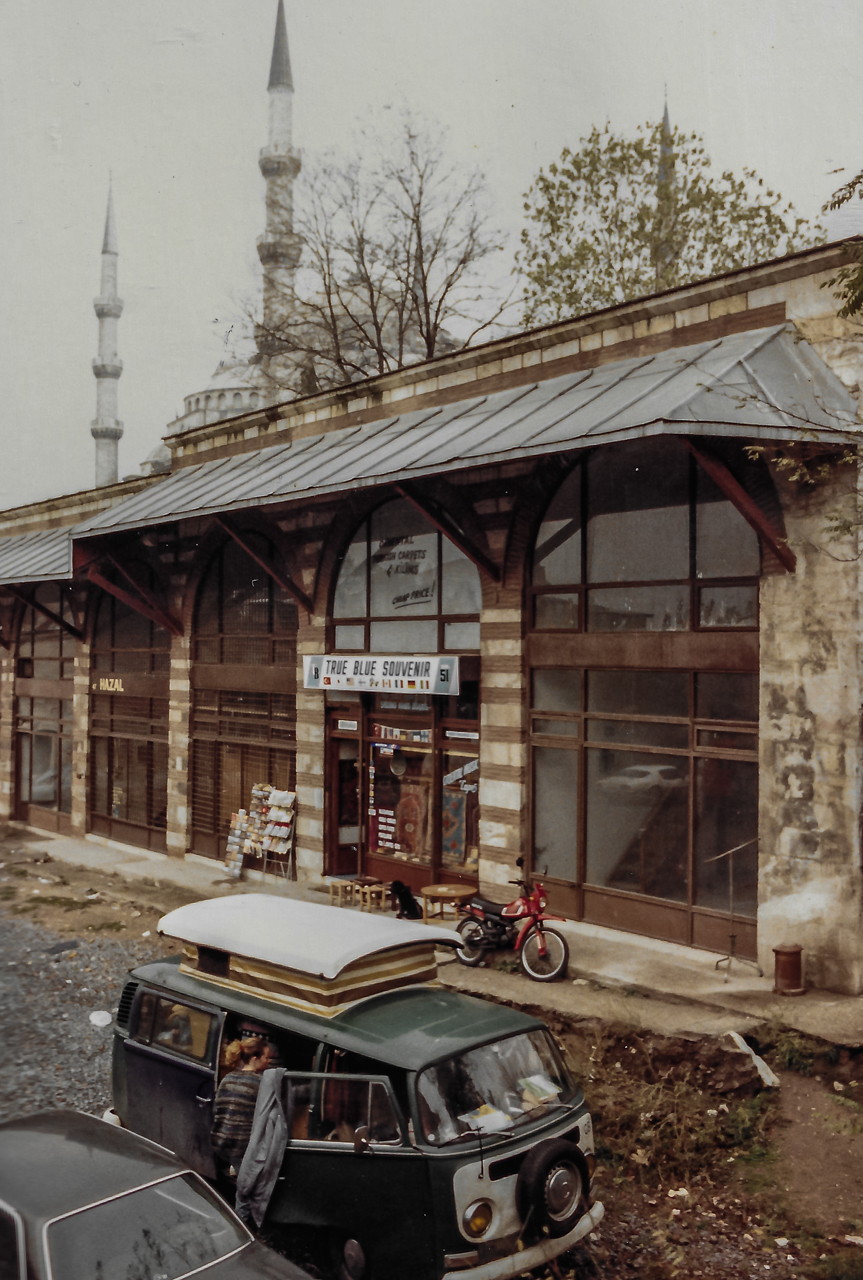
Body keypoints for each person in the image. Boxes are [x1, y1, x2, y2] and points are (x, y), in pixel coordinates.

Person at [211, 1035, 273, 1178]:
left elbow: (217, 1112)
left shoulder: (227, 1079)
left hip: (219, 1148)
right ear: (255, 1058)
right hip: (242, 1153)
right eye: (266, 1057)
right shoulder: (261, 1084)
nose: (269, 1061)